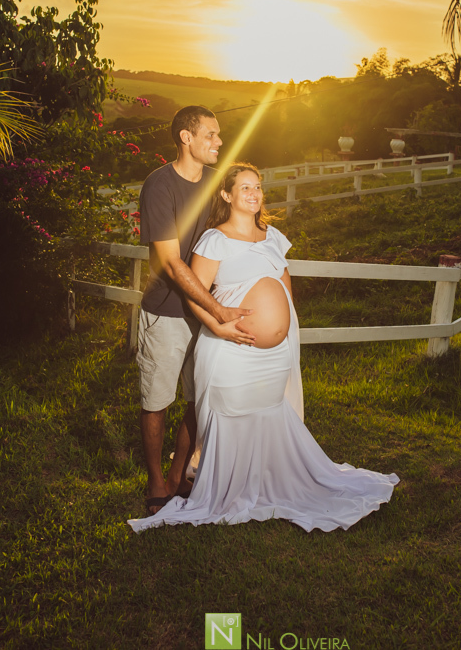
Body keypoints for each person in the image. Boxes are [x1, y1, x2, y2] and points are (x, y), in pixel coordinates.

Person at [129, 164, 398, 533]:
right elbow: (198, 296)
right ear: (226, 196)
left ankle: (265, 481)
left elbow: (286, 291)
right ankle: (226, 487)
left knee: (267, 417)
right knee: (232, 417)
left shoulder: (274, 237)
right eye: (245, 188)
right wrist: (217, 327)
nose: (255, 194)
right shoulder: (214, 240)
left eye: (258, 187)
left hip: (273, 356)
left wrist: (286, 336)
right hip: (231, 352)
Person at [137, 108, 255, 516]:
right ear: (186, 138)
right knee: (158, 399)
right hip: (168, 312)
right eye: (211, 134)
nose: (219, 142)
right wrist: (219, 309)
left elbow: (239, 226)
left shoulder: (213, 185)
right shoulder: (159, 185)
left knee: (197, 397)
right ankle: (155, 483)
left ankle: (177, 475)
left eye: (219, 135)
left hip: (202, 314)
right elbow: (170, 262)